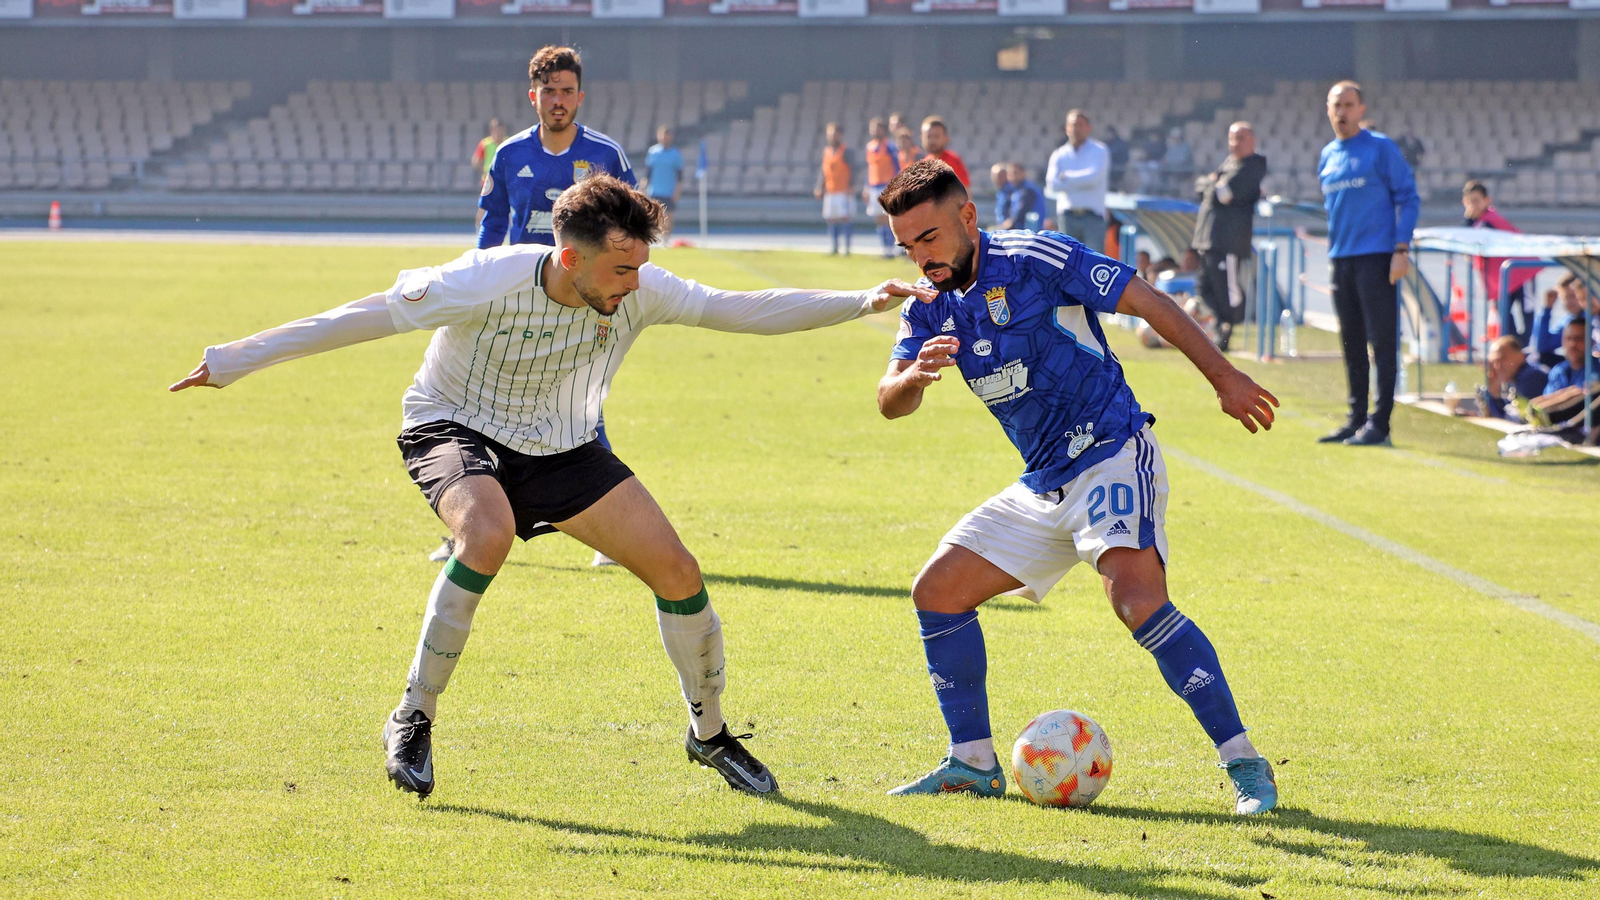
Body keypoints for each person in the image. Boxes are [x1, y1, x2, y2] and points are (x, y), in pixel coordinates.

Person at [171, 175, 930, 801]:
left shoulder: (640, 286)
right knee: (486, 533)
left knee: (679, 573)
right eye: (620, 270)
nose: (634, 284)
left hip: (563, 446)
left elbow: (739, 309)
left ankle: (709, 735)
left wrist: (860, 302)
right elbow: (359, 318)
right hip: (453, 425)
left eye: (640, 268)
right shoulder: (485, 278)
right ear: (570, 258)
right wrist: (232, 360)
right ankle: (414, 714)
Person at [873, 158, 1282, 816]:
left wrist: (1224, 378)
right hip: (1043, 483)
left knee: (1136, 599)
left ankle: (1245, 764)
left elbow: (1146, 299)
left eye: (929, 238)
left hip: (1110, 450)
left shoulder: (1036, 258)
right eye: (906, 246)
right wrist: (912, 377)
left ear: (968, 217)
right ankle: (972, 763)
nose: (922, 258)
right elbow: (889, 401)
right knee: (938, 592)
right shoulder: (929, 304)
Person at [473, 45, 636, 567]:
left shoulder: (606, 156)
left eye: (567, 91)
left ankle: (615, 533)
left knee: (584, 411)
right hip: (519, 305)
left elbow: (631, 226)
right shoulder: (508, 155)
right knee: (486, 409)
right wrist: (480, 280)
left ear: (580, 96)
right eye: (549, 91)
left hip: (584, 306)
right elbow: (492, 223)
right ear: (533, 97)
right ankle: (469, 527)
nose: (558, 100)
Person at [1316, 81, 1420, 448]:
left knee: (1382, 342)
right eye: (1336, 105)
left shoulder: (1380, 148)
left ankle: (1381, 423)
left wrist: (1401, 248)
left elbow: (1409, 198)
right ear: (1328, 110)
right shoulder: (1327, 155)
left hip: (1376, 258)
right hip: (1341, 259)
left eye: (1349, 105)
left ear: (1361, 110)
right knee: (1351, 342)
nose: (1342, 112)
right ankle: (1356, 418)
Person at [1192, 121, 1267, 353]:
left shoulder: (1252, 166)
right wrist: (1213, 183)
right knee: (1204, 288)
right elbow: (1201, 187)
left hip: (1228, 240)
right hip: (1208, 238)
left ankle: (1227, 327)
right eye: (1232, 138)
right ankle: (1219, 324)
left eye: (1241, 138)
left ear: (1252, 140)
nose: (1235, 143)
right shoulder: (1229, 164)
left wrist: (1213, 183)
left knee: (1227, 290)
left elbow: (1224, 195)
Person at [1462, 181, 1534, 345]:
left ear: (1487, 200)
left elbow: (1469, 238)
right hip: (1501, 278)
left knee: (1527, 310)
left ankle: (1527, 345)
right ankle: (1516, 345)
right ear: (1464, 203)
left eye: (1476, 201)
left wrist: (1468, 221)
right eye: (1469, 201)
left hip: (1521, 271)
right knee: (1504, 313)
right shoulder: (1479, 222)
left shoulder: (1490, 220)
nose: (1473, 206)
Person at [1046, 109, 1110, 253]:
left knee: (1093, 261)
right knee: (1067, 260)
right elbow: (1052, 185)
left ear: (1088, 128)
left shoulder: (1099, 150)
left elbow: (1093, 179)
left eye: (1080, 125)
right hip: (1067, 217)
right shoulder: (1059, 154)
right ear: (1066, 128)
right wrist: (1081, 180)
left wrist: (1066, 177)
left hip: (1092, 217)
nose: (1076, 129)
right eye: (1073, 125)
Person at [814, 122, 858, 255]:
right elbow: (824, 171)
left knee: (845, 218)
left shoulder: (846, 151)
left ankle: (847, 247)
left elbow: (854, 169)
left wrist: (851, 185)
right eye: (830, 134)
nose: (832, 137)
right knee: (831, 219)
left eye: (835, 134)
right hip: (830, 190)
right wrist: (820, 187)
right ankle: (834, 246)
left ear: (840, 135)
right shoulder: (827, 151)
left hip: (843, 191)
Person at [1480, 335, 1547, 421]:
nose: (1498, 366)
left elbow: (1511, 419)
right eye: (1494, 362)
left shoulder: (1530, 377)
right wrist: (1493, 389)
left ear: (1520, 355)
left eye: (1502, 359)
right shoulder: (1513, 378)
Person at [862, 117, 902, 258]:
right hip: (874, 186)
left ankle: (892, 248)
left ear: (883, 130)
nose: (875, 131)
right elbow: (870, 168)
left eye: (877, 128)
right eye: (873, 128)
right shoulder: (870, 147)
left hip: (887, 185)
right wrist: (866, 187)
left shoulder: (890, 146)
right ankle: (885, 248)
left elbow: (897, 166)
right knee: (879, 219)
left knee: (888, 218)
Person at [1532, 275, 1587, 369]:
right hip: (1576, 364)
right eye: (1565, 297)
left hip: (1591, 363)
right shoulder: (1568, 320)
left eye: (1573, 296)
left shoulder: (1592, 316)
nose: (1569, 302)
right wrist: (1547, 308)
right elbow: (1543, 346)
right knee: (1538, 358)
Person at [644, 125, 685, 239]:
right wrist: (643, 187)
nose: (664, 138)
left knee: (669, 216)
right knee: (653, 216)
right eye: (662, 136)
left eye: (667, 136)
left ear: (671, 137)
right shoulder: (653, 152)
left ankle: (667, 239)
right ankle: (654, 238)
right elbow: (648, 172)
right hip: (654, 190)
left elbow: (680, 176)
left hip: (669, 190)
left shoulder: (675, 154)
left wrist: (677, 191)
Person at [1545, 318, 1600, 393]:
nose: (1572, 344)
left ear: (1591, 341)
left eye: (1578, 338)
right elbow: (1547, 398)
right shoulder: (1557, 372)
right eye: (1568, 338)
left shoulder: (1597, 370)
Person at [470, 118, 507, 229]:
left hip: (505, 181)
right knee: (483, 207)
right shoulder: (485, 143)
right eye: (497, 129)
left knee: (509, 207)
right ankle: (479, 230)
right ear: (492, 130)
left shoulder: (508, 142)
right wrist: (485, 172)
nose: (499, 132)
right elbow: (476, 161)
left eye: (501, 129)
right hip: (488, 181)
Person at [919, 116, 969, 187]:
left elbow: (965, 190)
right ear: (922, 138)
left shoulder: (953, 162)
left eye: (936, 136)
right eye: (928, 136)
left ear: (946, 138)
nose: (932, 141)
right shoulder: (923, 165)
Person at [1002, 162, 1047, 232]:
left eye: (1015, 173)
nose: (1013, 176)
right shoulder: (1016, 190)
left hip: (1031, 229)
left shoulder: (1027, 190)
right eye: (1010, 174)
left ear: (1023, 173)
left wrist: (1010, 222)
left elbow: (1022, 210)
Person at [1161, 127, 1195, 197]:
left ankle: (1177, 193)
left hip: (1184, 169)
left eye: (1176, 137)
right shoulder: (1172, 147)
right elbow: (1167, 158)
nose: (1175, 139)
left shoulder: (1185, 147)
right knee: (1162, 172)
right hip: (1173, 168)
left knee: (1176, 175)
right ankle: (1166, 192)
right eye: (1174, 137)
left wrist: (1171, 163)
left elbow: (1182, 160)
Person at [1103, 125, 1129, 192]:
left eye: (1108, 134)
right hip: (1108, 170)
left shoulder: (1120, 143)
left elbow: (1124, 157)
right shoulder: (1106, 143)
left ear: (1112, 133)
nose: (1107, 135)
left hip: (1118, 170)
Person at [989, 163, 1014, 228]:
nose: (997, 178)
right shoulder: (1000, 192)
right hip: (1001, 226)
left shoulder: (1011, 190)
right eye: (994, 176)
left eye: (1000, 176)